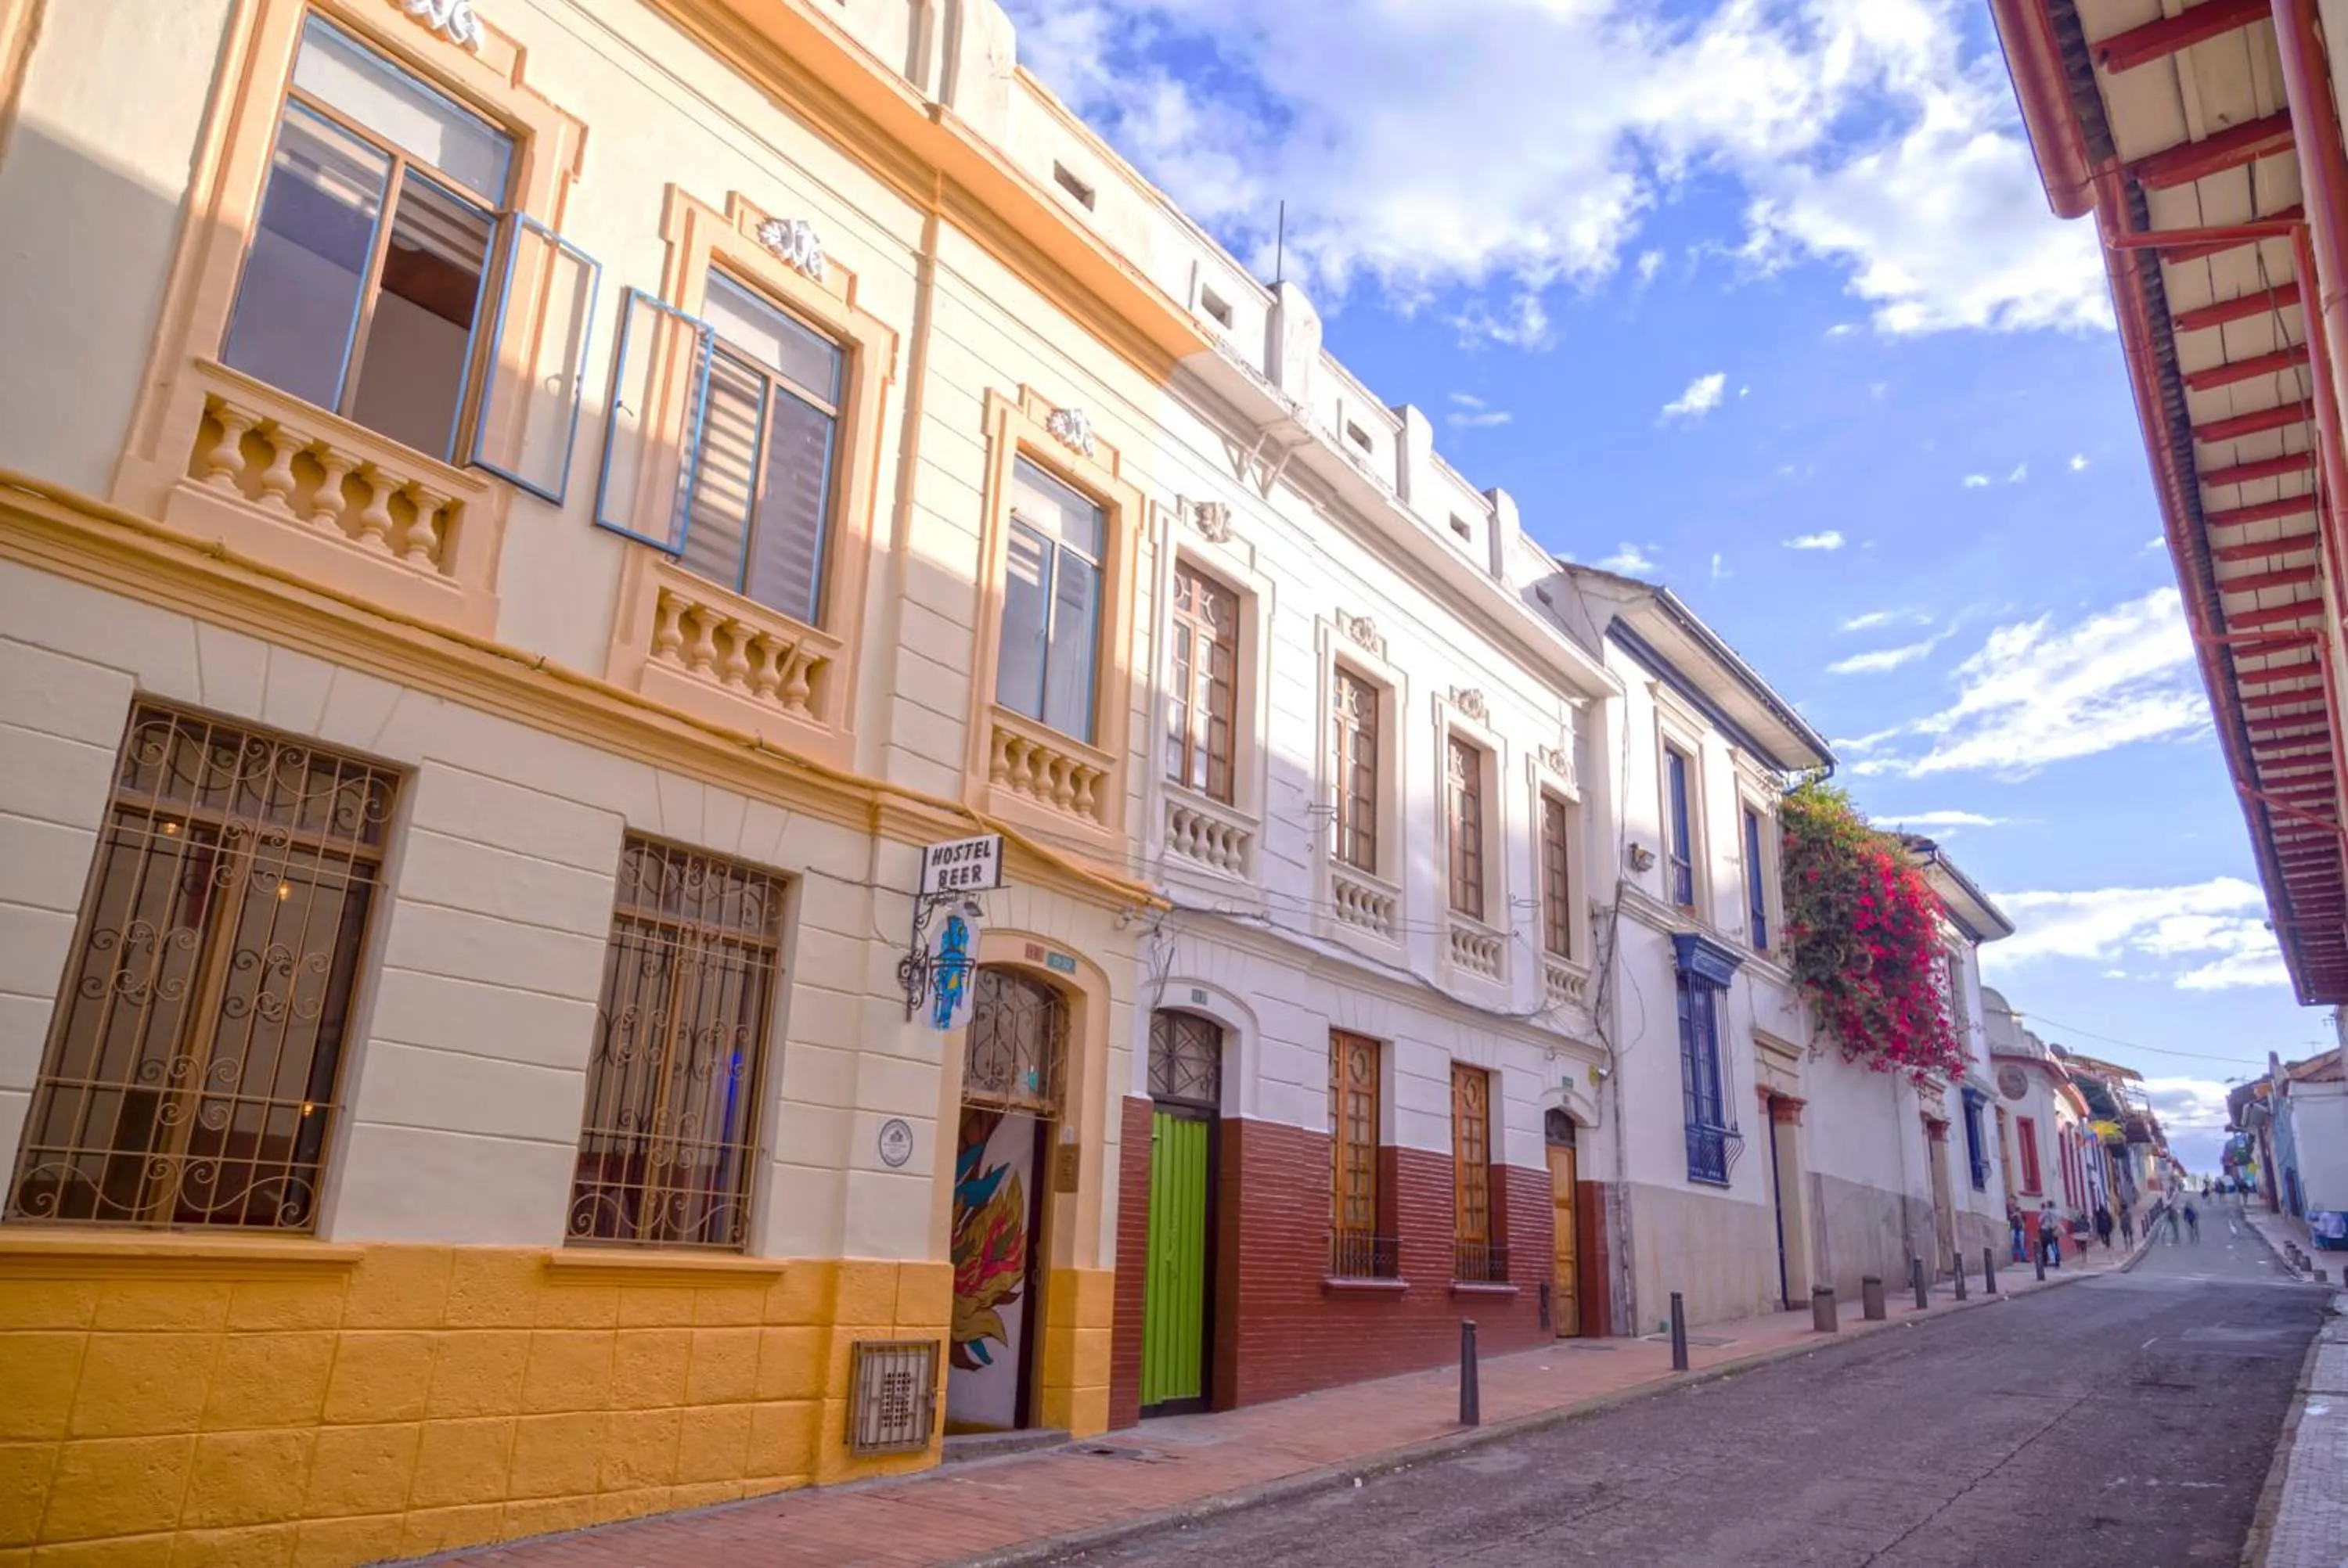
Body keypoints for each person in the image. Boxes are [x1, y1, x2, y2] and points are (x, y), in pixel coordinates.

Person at [2008, 1199, 2027, 1264]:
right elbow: (2009, 1221)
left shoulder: (2020, 1214)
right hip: (2013, 1229)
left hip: (2019, 1229)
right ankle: (2013, 1258)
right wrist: (2009, 1228)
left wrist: (2020, 1219)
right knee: (2013, 1244)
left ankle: (2023, 1258)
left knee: (2021, 1244)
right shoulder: (2010, 1213)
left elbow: (2023, 1223)